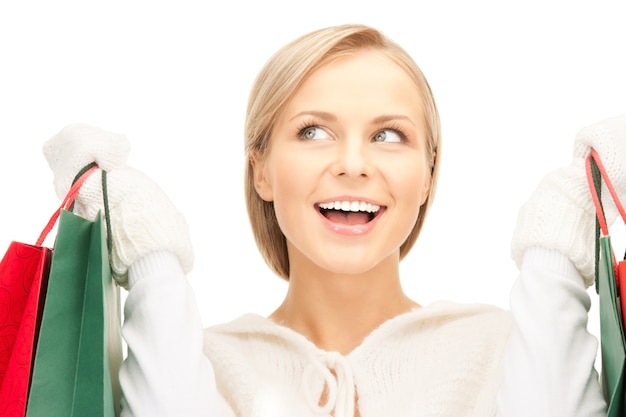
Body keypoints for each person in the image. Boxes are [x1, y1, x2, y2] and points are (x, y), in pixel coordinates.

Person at [41, 23, 625, 416]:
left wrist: (557, 244)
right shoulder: (199, 360)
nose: (352, 164)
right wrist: (151, 260)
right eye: (313, 131)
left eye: (388, 135)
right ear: (261, 171)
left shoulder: (503, 346)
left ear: (426, 174)